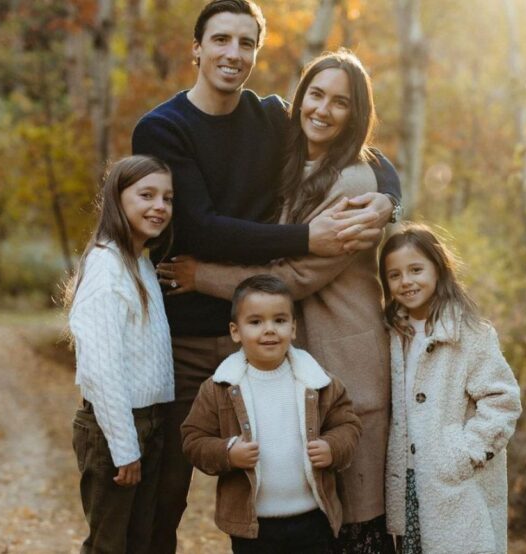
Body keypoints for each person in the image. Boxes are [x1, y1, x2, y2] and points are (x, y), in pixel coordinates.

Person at [131, 1, 401, 551]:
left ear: (256, 51)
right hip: (188, 335)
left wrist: (391, 200)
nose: (234, 54)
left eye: (246, 43)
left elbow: (366, 151)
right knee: (167, 492)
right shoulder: (163, 128)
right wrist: (306, 238)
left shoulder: (269, 116)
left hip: (271, 337)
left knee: (289, 488)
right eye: (221, 40)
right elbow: (200, 227)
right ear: (197, 47)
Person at [181, 275, 362, 553]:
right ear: (235, 331)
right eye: (255, 322)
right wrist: (228, 453)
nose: (269, 330)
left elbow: (348, 424)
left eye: (279, 320)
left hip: (313, 517)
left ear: (294, 327)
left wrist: (332, 447)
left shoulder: (317, 382)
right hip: (253, 526)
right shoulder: (220, 386)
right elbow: (193, 439)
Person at [379, 223, 522, 554]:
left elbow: (503, 400)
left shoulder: (470, 334)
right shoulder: (390, 333)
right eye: (395, 275)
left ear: (438, 269)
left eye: (416, 269)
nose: (406, 281)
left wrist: (463, 453)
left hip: (455, 484)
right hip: (407, 482)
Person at [66, 155, 175, 553]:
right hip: (115, 427)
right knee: (109, 545)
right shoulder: (105, 266)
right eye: (146, 195)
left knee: (138, 542)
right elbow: (102, 368)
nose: (159, 206)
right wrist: (125, 447)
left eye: (167, 197)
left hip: (149, 423)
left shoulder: (140, 264)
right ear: (117, 198)